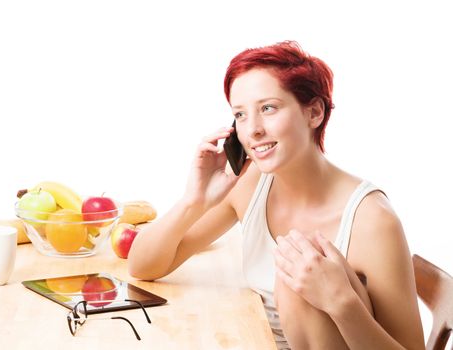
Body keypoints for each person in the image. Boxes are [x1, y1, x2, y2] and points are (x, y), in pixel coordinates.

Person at [127, 41, 425, 349]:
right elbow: (143, 266)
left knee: (301, 268)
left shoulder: (372, 220)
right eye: (240, 115)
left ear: (314, 113)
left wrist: (341, 303)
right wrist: (195, 200)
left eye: (268, 108)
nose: (253, 130)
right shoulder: (251, 184)